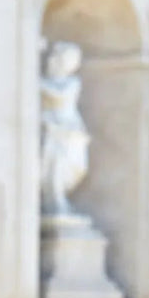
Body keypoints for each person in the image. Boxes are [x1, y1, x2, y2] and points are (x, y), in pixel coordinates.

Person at [39, 40, 90, 217]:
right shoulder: (44, 82)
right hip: (52, 129)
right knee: (53, 164)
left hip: (69, 128)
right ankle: (54, 199)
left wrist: (36, 82)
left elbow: (59, 95)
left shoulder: (72, 82)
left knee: (73, 164)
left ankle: (59, 197)